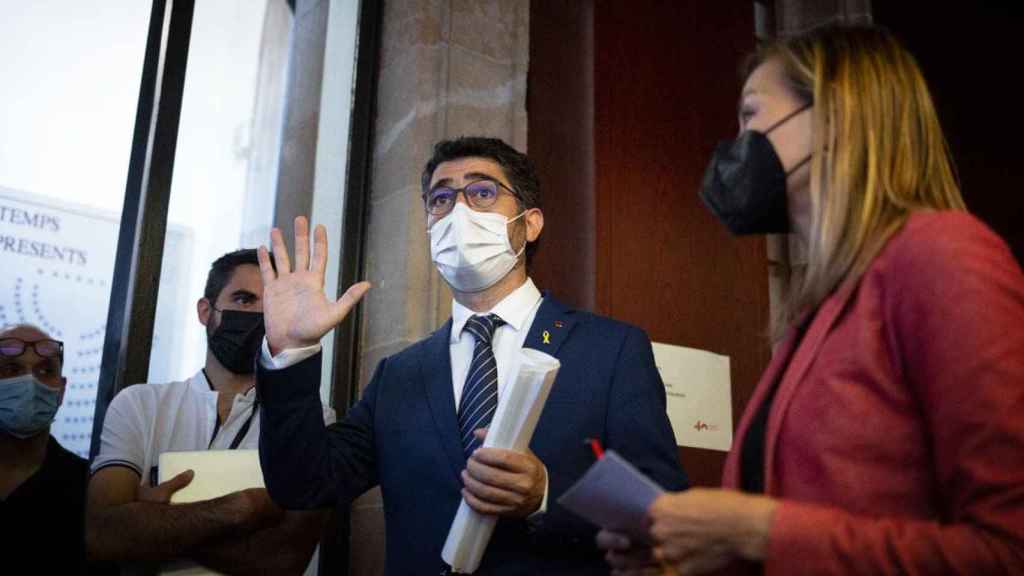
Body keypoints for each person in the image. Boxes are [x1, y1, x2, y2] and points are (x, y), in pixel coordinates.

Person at [598, 24, 1024, 575]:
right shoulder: (820, 308)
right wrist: (691, 556)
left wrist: (756, 530)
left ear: (835, 116)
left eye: (751, 115)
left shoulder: (942, 254)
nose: (735, 144)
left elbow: (1009, 548)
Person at [256, 137, 689, 574]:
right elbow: (304, 485)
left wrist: (545, 495)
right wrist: (291, 352)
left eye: (482, 192)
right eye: (440, 198)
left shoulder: (611, 350)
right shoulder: (399, 375)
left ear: (530, 222)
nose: (458, 211)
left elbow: (660, 502)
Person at [87, 249, 331, 575]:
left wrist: (154, 522)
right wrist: (245, 509)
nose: (258, 314)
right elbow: (104, 533)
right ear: (206, 311)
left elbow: (281, 560)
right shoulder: (140, 405)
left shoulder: (314, 420)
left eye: (270, 304)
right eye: (244, 300)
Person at [0, 323, 115, 575]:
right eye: (11, 368)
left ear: (61, 391)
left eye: (45, 370)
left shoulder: (91, 491)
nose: (30, 382)